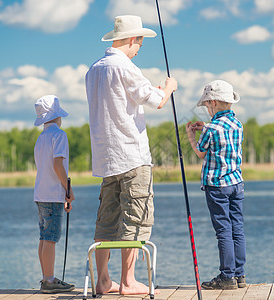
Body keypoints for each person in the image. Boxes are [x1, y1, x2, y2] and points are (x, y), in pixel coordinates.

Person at [85, 15, 178, 295]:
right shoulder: (126, 67)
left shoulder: (93, 70)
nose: (139, 49)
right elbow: (156, 101)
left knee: (106, 220)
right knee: (136, 218)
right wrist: (169, 88)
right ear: (130, 40)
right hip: (133, 157)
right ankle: (128, 281)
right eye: (139, 43)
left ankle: (103, 281)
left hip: (106, 158)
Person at [186, 80, 246, 290]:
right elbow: (223, 143)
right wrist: (205, 129)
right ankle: (239, 275)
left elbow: (201, 152)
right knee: (236, 228)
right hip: (236, 184)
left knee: (223, 230)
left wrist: (191, 136)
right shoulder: (237, 124)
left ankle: (226, 276)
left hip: (217, 186)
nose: (206, 110)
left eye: (207, 106)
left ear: (213, 103)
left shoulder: (211, 127)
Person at [33, 94, 75, 294]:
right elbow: (58, 165)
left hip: (40, 194)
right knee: (51, 238)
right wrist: (67, 189)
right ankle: (49, 281)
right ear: (57, 116)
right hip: (52, 195)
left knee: (44, 237)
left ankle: (46, 277)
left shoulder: (41, 138)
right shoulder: (59, 135)